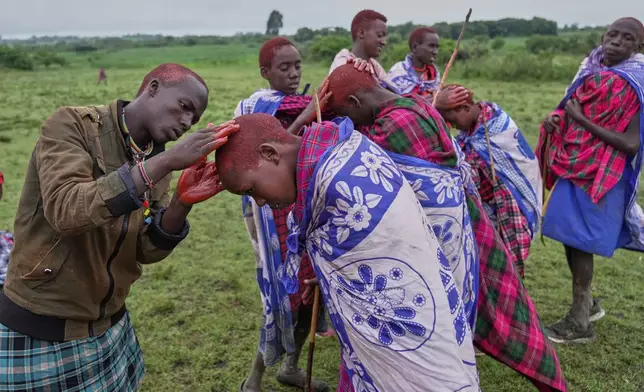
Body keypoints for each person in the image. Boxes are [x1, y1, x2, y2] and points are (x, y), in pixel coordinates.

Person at [325, 64, 568, 392]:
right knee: (506, 311)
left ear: (354, 101)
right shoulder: (416, 105)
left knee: (472, 317)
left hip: (442, 239)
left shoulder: (393, 126)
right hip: (467, 222)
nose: (350, 124)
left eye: (345, 114)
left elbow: (368, 175)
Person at [0, 63, 237, 391]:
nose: (186, 123)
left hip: (110, 325)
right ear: (152, 88)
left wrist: (182, 201)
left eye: (195, 119)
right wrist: (163, 163)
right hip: (42, 325)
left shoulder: (156, 157)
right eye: (184, 107)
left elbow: (143, 249)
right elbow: (67, 211)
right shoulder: (72, 125)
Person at [216, 113, 480, 392]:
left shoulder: (336, 185)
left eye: (252, 189)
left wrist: (338, 275)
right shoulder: (344, 147)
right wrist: (332, 277)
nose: (260, 201)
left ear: (269, 154)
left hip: (410, 313)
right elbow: (366, 257)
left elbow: (376, 249)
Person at [536, 17, 644, 344]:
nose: (616, 42)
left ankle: (579, 322)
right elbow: (566, 108)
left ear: (639, 47)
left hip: (602, 173)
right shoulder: (591, 69)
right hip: (574, 163)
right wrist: (557, 120)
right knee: (568, 235)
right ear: (602, 35)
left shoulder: (635, 82)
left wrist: (580, 120)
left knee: (581, 240)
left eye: (627, 39)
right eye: (612, 35)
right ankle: (588, 306)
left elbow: (630, 143)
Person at [233, 37, 331, 392]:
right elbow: (260, 156)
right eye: (284, 68)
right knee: (279, 298)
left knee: (308, 291)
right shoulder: (254, 109)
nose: (293, 74)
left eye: (297, 66)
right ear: (265, 72)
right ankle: (253, 379)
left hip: (304, 211)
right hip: (271, 218)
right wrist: (305, 116)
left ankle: (290, 367)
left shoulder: (307, 102)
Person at [435, 85, 543, 277]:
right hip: (486, 207)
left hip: (508, 206)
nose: (453, 127)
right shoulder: (471, 131)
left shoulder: (496, 128)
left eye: (451, 120)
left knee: (503, 264)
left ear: (465, 109)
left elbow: (511, 170)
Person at [328, 9, 398, 92]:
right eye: (379, 35)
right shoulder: (343, 61)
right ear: (361, 33)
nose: (384, 42)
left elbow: (393, 91)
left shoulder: (374, 66)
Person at [388, 27, 442, 100]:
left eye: (437, 47)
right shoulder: (398, 72)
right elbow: (395, 103)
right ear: (414, 47)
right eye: (431, 46)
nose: (435, 52)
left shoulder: (433, 74)